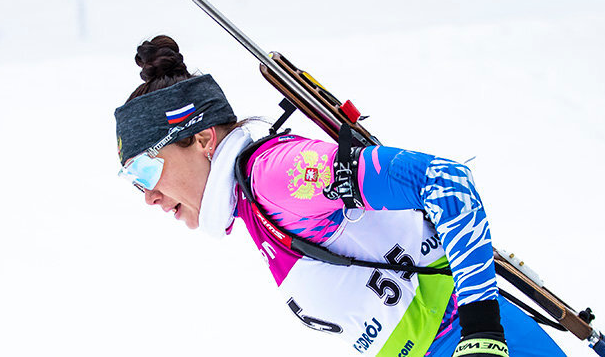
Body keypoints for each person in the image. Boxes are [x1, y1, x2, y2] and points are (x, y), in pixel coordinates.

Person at [114, 35, 566, 357]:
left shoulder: (277, 176)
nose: (148, 196)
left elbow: (445, 182)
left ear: (203, 139)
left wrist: (482, 331)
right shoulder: (255, 206)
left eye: (145, 169)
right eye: (133, 179)